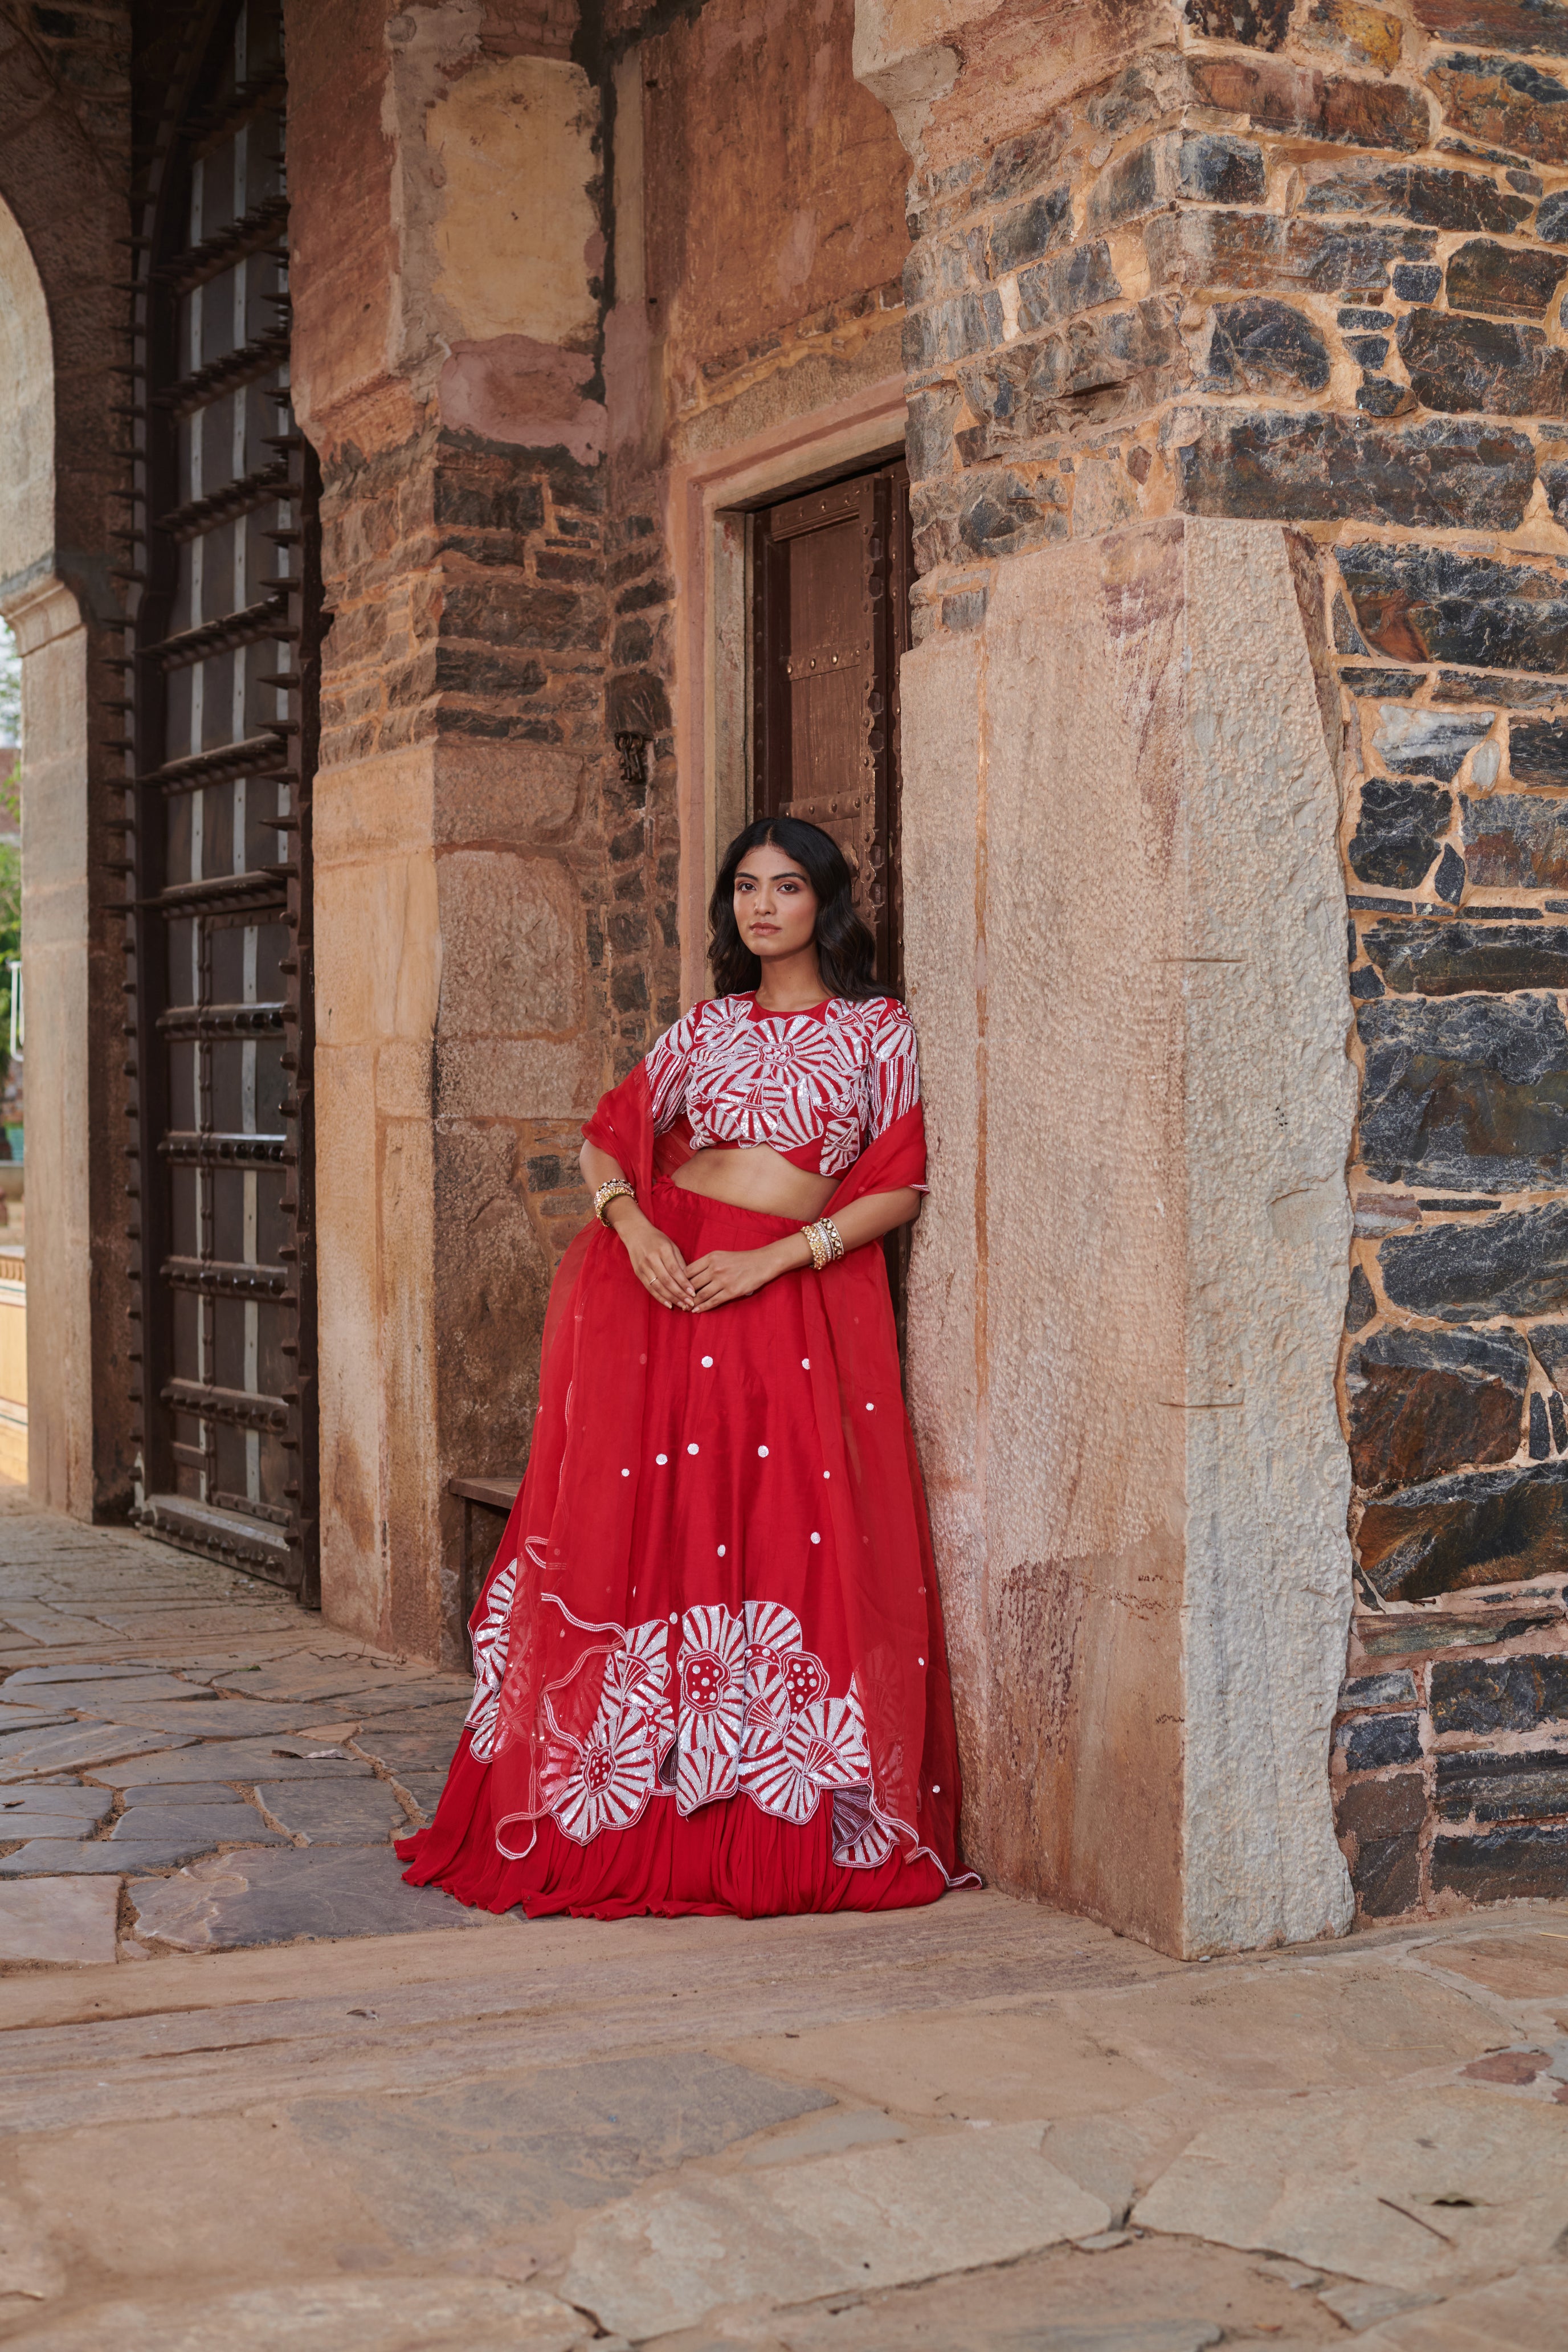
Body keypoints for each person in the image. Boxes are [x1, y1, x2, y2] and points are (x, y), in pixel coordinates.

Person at [398, 816, 971, 1918]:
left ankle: (766, 1796)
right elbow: (608, 1134)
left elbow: (899, 1183)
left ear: (825, 904)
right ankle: (633, 1791)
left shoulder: (876, 1031)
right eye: (747, 888)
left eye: (788, 887)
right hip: (664, 1297)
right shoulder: (702, 1031)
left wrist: (776, 1263)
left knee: (775, 1523)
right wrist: (632, 1228)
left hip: (779, 1297)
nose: (764, 906)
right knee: (661, 1531)